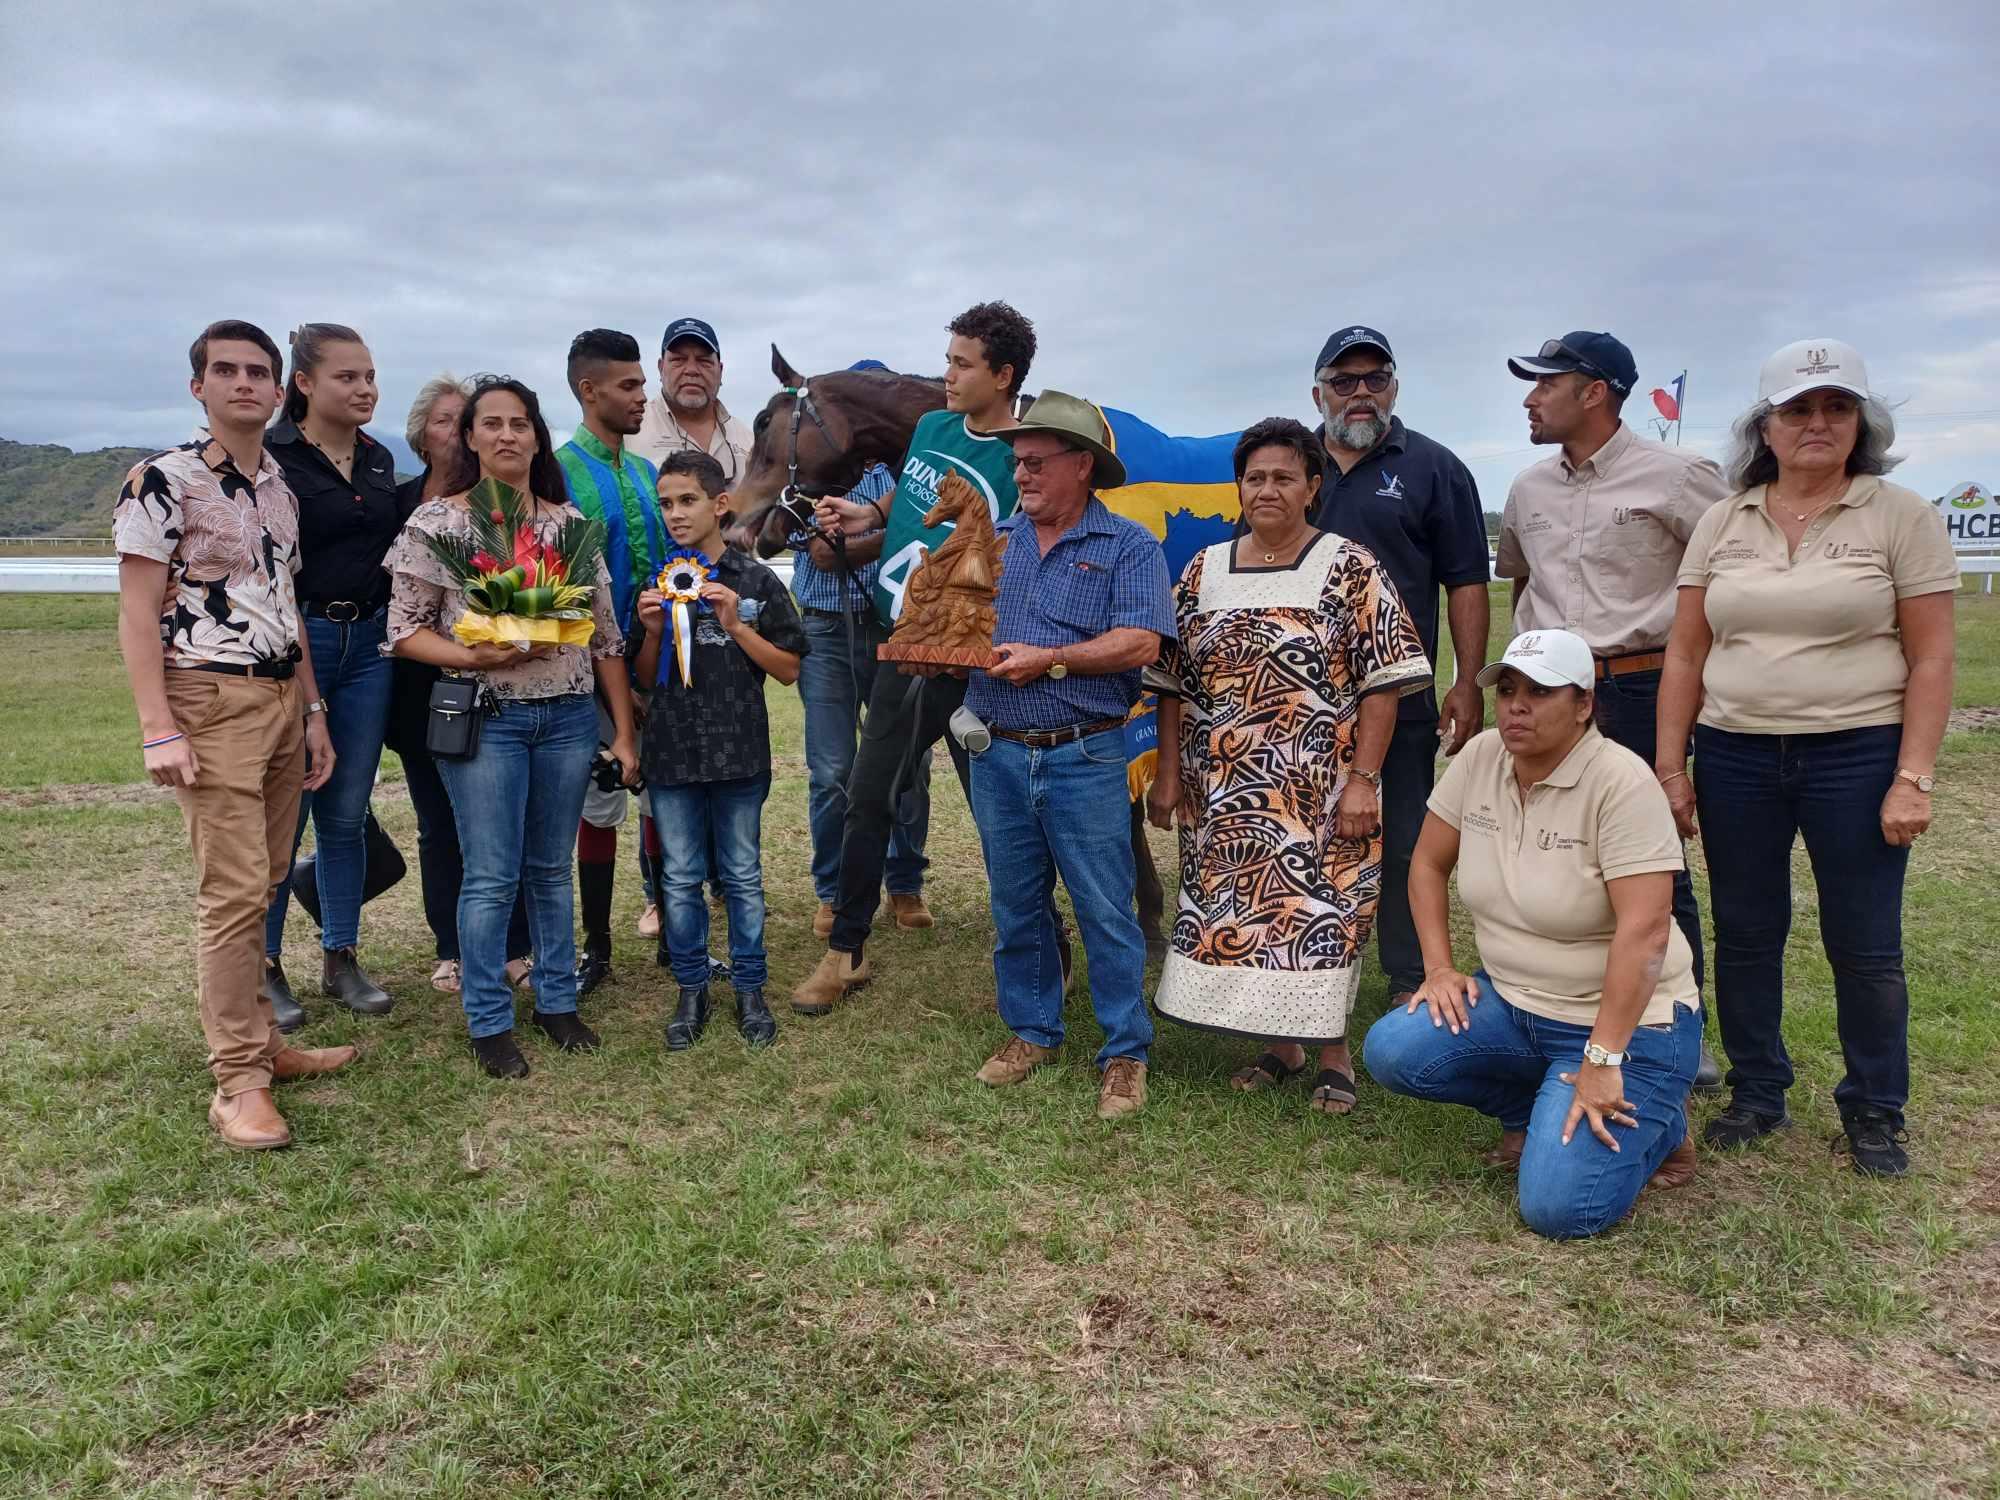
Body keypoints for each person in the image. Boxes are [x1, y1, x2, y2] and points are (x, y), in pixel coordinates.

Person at [1655, 340, 1956, 1176]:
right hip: (1736, 752)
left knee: (1864, 943)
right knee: (1748, 932)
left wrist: (1913, 777)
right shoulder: (1725, 517)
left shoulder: (1898, 514)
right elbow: (1686, 651)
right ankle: (1758, 1090)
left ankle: (1874, 1109)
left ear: (1862, 422)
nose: (1817, 423)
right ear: (1766, 427)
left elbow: (1931, 657)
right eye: (1798, 409)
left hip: (1857, 754)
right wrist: (1672, 768)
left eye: (1837, 407)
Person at [1363, 630, 1702, 1239]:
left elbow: (1647, 932)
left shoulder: (1622, 783)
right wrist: (1439, 969)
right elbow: (1426, 864)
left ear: (1584, 706)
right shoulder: (1482, 756)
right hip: (1515, 1003)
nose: (1517, 705)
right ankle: (1535, 1106)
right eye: (1509, 690)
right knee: (1393, 1049)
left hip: (1628, 1028)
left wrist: (1603, 1058)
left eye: (1541, 692)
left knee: (1560, 1209)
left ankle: (1663, 1121)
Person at [113, 319, 354, 1150]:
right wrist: (158, 729)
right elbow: (137, 613)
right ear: (199, 387)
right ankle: (238, 1082)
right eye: (227, 370)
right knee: (232, 890)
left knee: (269, 876)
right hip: (207, 698)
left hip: (284, 694)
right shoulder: (161, 481)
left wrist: (314, 712)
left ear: (279, 390)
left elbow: (283, 607)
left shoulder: (281, 487)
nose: (245, 383)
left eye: (260, 371)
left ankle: (266, 1042)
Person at [1148, 418, 1432, 1114]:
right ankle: (1281, 1044)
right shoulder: (1202, 570)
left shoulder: (1350, 566)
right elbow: (1170, 682)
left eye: (1282, 477)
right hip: (1224, 788)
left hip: (1322, 789)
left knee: (1322, 915)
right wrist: (1166, 772)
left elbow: (1384, 682)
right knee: (1248, 911)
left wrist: (1364, 779)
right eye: (1254, 477)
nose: (1266, 489)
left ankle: (1333, 1053)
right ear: (1238, 487)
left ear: (1312, 486)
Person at [1497, 330, 1732, 1091]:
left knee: (1655, 864)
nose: (1530, 398)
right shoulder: (1528, 488)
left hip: (1636, 684)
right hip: (1547, 688)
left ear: (1594, 391)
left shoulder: (1679, 476)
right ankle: (1550, 1009)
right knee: (1546, 848)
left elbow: (1734, 572)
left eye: (1544, 384)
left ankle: (1678, 1029)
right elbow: (1520, 582)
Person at [385, 375, 639, 1079]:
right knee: (492, 874)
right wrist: (471, 653)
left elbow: (606, 640)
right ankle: (489, 1019)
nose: (506, 435)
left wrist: (621, 731)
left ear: (536, 435)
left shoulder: (567, 527)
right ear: (468, 436)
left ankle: (557, 1001)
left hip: (564, 717)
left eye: (519, 423)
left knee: (549, 872)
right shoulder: (436, 525)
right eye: (491, 423)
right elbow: (404, 631)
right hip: (487, 719)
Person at [789, 301, 1037, 1015]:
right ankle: (846, 952)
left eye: (962, 364)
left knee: (1000, 811)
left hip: (979, 657)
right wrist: (868, 515)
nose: (947, 375)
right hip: (907, 641)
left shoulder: (1024, 453)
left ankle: (1043, 945)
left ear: (1004, 374)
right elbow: (914, 491)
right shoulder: (932, 427)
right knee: (871, 791)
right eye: (949, 359)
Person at [960, 391, 1175, 1121]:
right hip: (996, 755)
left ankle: (1124, 1053)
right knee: (1016, 905)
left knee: (1105, 908)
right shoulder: (992, 542)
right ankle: (1032, 1031)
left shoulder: (1129, 548)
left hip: (1084, 753)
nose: (1019, 474)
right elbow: (954, 625)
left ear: (1082, 466)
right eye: (1016, 462)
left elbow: (1141, 643)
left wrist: (1051, 659)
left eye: (1034, 462)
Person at [1280, 326, 1489, 1013]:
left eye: (1376, 378)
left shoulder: (1435, 468)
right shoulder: (1288, 469)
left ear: (1394, 387)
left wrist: (1464, 678)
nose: (1361, 392)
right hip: (1299, 699)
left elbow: (1464, 580)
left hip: (1399, 695)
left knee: (1402, 837)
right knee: (1300, 832)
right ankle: (1302, 961)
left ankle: (1405, 973)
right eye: (1345, 381)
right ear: (1319, 392)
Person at [632, 451, 807, 1049]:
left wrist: (737, 626)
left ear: (719, 503)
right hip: (672, 753)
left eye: (687, 500)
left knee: (741, 873)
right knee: (678, 877)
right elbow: (639, 679)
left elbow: (788, 670)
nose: (676, 513)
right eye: (666, 503)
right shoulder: (654, 582)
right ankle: (691, 987)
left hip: (738, 751)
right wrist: (653, 633)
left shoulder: (755, 580)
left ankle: (750, 987)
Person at [759, 360, 935, 939]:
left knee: (908, 762)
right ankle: (833, 891)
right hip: (829, 630)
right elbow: (816, 551)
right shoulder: (809, 465)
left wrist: (869, 537)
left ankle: (904, 883)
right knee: (831, 768)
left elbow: (910, 536)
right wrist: (891, 537)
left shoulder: (909, 468)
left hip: (893, 625)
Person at [258, 323, 399, 1027]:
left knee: (346, 810)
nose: (365, 388)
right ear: (304, 385)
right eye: (348, 377)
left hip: (369, 648)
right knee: (288, 814)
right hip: (300, 640)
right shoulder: (274, 458)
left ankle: (341, 956)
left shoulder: (377, 461)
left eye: (370, 375)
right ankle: (265, 967)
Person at [387, 374, 533, 994]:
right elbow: (397, 607)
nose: (458, 430)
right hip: (426, 685)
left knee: (509, 824)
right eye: (446, 421)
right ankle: (452, 944)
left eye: (463, 418)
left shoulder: (512, 505)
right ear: (425, 436)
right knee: (439, 823)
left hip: (508, 686)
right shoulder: (404, 509)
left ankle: (519, 944)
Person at [555, 330, 666, 995]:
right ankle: (597, 946)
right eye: (629, 386)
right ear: (588, 390)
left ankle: (674, 937)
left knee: (661, 801)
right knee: (600, 805)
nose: (642, 397)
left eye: (641, 384)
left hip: (659, 666)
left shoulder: (649, 475)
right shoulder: (560, 472)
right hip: (591, 674)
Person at [631, 317, 753, 485]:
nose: (691, 370)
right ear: (660, 368)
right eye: (678, 360)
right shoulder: (629, 432)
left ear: (720, 371)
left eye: (704, 361)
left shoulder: (749, 441)